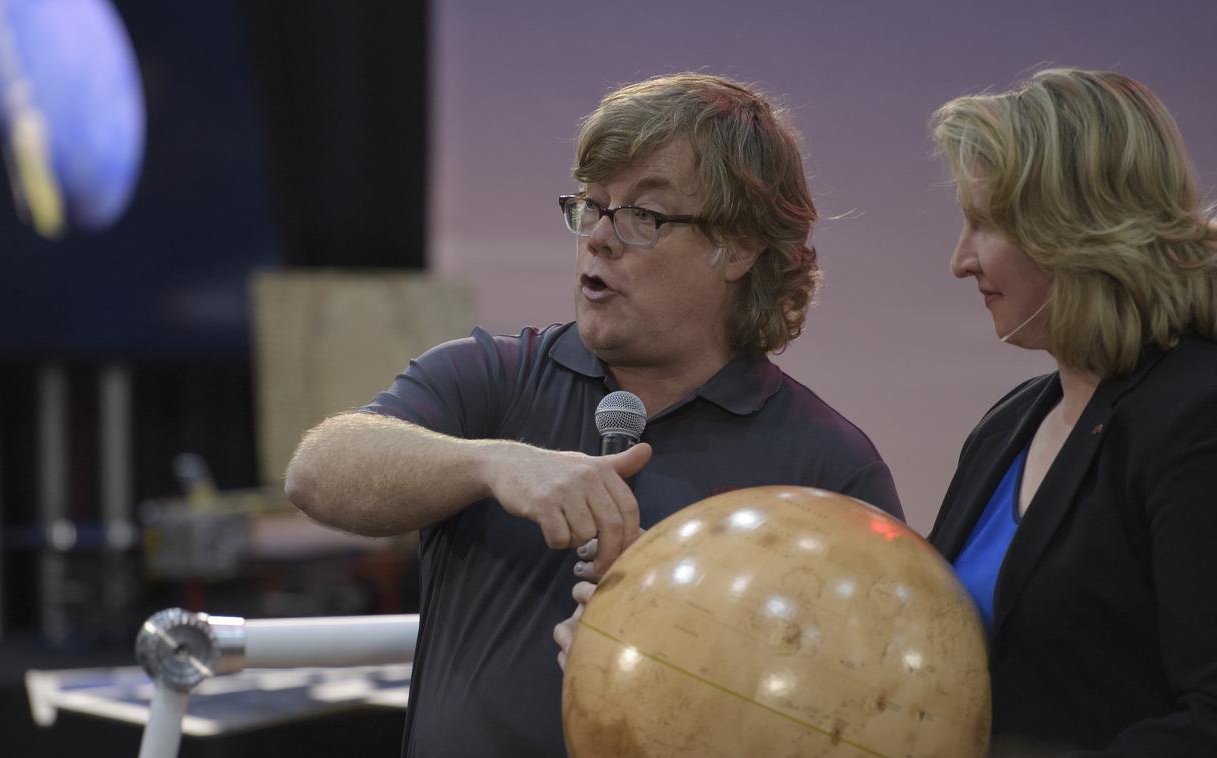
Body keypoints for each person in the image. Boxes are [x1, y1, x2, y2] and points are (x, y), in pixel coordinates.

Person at [285, 72, 903, 758]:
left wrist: (675, 666)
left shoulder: (826, 469)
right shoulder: (491, 379)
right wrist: (493, 462)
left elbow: (869, 718)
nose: (601, 239)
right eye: (592, 205)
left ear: (740, 247)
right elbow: (318, 472)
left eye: (646, 216)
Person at [927, 68, 1217, 755]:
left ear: (1079, 228)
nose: (960, 260)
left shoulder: (1196, 417)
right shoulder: (1008, 423)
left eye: (988, 223)